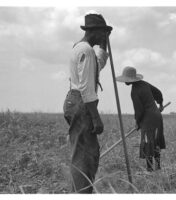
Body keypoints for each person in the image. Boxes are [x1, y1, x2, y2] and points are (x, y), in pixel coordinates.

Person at [63, 12, 112, 193]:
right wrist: (96, 118)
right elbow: (86, 88)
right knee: (85, 157)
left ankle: (79, 191)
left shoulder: (81, 48)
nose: (104, 36)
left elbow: (98, 64)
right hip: (81, 102)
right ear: (94, 31)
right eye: (103, 32)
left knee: (84, 154)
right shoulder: (86, 50)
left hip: (74, 101)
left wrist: (104, 43)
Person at [116, 66, 166, 172]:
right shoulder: (144, 84)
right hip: (157, 116)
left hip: (148, 119)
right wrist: (160, 104)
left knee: (148, 143)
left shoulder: (135, 91)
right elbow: (158, 92)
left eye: (127, 80)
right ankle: (158, 167)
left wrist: (137, 122)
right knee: (156, 141)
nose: (125, 82)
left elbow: (139, 110)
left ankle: (149, 170)